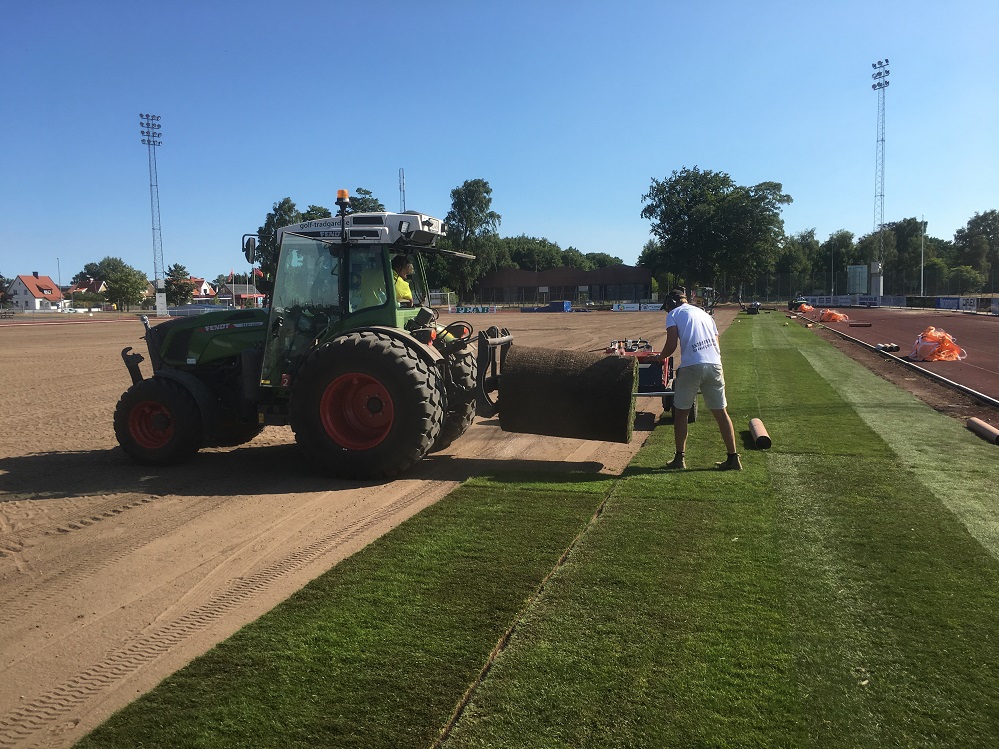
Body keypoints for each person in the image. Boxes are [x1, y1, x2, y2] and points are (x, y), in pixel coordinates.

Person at [661, 288, 742, 471]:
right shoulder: (705, 315)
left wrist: (658, 358)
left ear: (672, 303)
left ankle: (679, 458)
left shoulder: (674, 314)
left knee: (681, 412)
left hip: (691, 366)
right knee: (721, 412)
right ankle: (733, 458)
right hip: (715, 364)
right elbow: (716, 343)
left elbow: (671, 344)